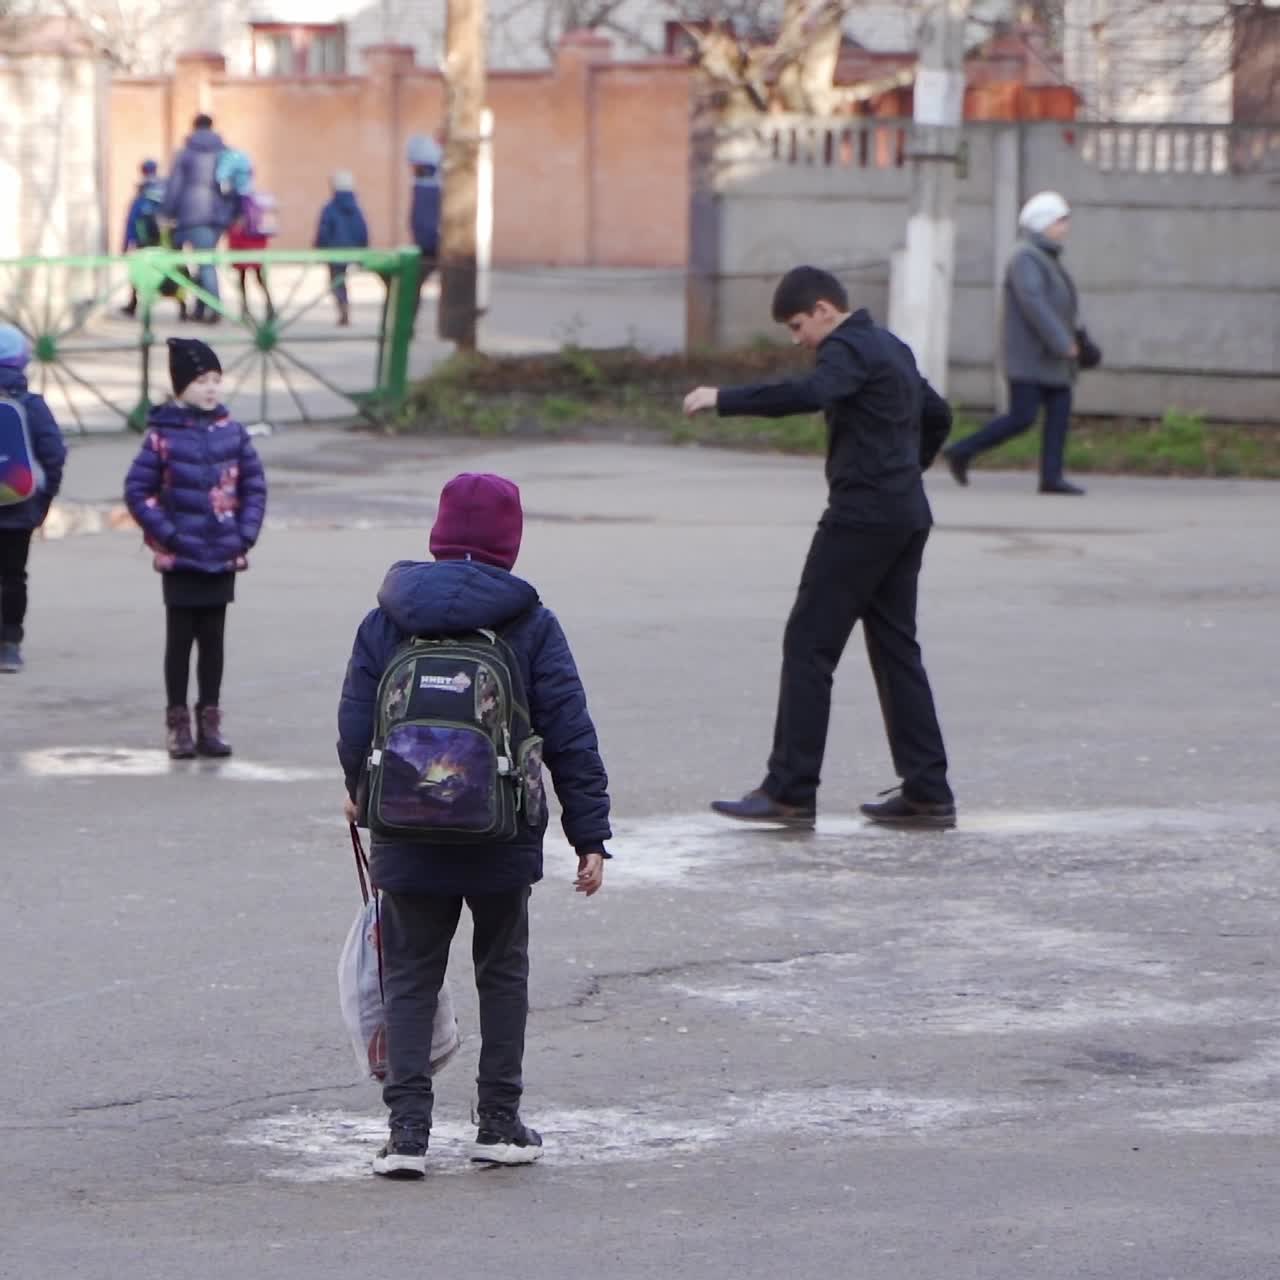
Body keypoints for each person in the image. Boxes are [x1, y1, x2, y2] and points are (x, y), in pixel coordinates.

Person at [336, 472, 611, 1179]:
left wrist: (361, 791)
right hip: (502, 831)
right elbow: (571, 733)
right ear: (509, 544)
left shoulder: (388, 617)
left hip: (405, 828)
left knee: (410, 975)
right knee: (502, 971)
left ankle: (406, 1136)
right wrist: (590, 836)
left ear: (437, 534)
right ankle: (498, 1122)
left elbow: (354, 720)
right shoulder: (530, 622)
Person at [682, 266, 956, 830]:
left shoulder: (848, 348)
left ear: (826, 310)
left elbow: (811, 393)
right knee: (896, 649)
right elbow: (939, 414)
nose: (797, 339)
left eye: (798, 325)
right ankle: (928, 791)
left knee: (809, 645)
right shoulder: (890, 347)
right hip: (905, 515)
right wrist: (908, 470)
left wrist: (723, 398)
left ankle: (788, 790)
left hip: (861, 518)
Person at [124, 338, 267, 759]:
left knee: (214, 640)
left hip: (222, 555)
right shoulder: (162, 437)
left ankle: (210, 721)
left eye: (216, 380)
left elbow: (254, 486)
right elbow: (138, 490)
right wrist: (167, 535)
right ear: (181, 385)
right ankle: (177, 723)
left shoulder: (232, 432)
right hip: (181, 557)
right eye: (202, 380)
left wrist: (244, 534)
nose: (210, 388)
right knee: (179, 641)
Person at [942, 191, 1086, 495]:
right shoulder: (1025, 258)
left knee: (1059, 412)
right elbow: (1034, 303)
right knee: (1022, 417)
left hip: (1052, 357)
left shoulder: (1045, 257)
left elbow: (1059, 305)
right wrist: (1063, 342)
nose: (1066, 227)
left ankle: (1052, 476)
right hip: (1030, 357)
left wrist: (1079, 339)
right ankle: (962, 451)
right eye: (1060, 221)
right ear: (1042, 223)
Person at [0, 325, 67, 674]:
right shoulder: (32, 405)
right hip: (20, 508)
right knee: (13, 577)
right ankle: (9, 644)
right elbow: (53, 454)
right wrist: (43, 500)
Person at [161, 114, 233, 324]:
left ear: (194, 128)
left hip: (193, 213)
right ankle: (201, 308)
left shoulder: (186, 154)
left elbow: (174, 186)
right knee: (206, 259)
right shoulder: (225, 153)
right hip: (218, 215)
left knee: (204, 263)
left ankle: (213, 307)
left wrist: (167, 212)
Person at [121, 160, 188, 320]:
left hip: (145, 243)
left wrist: (126, 244)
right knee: (175, 272)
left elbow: (131, 221)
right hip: (168, 242)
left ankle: (133, 304)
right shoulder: (167, 190)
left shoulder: (141, 195)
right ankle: (182, 306)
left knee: (139, 271)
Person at [314, 171, 370, 327]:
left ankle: (343, 309)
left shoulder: (330, 208)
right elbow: (362, 230)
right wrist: (362, 251)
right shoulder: (357, 209)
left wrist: (320, 248)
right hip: (352, 250)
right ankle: (345, 310)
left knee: (337, 281)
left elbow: (324, 231)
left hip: (335, 251)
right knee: (341, 281)